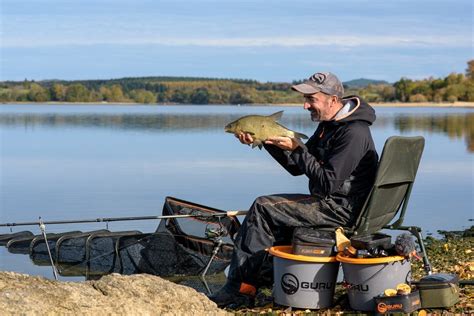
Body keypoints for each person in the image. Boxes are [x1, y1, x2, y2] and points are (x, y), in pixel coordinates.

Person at [209, 72, 379, 308]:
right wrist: (268, 140)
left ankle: (240, 290)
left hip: (341, 209)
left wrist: (297, 149)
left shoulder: (353, 132)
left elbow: (327, 183)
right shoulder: (328, 126)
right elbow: (296, 168)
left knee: (263, 207)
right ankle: (262, 280)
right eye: (305, 99)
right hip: (332, 202)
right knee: (271, 211)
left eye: (311, 99)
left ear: (332, 100)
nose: (305, 105)